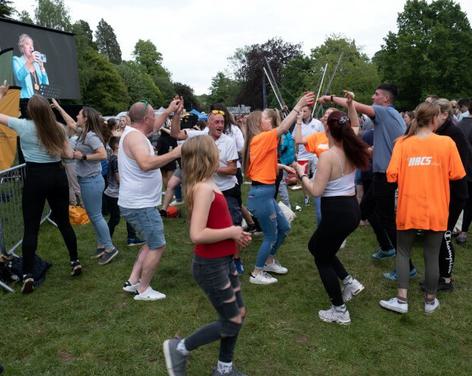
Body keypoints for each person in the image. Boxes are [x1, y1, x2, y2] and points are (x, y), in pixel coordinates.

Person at [163, 135, 251, 376]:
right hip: (210, 266)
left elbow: (214, 224)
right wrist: (232, 230)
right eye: (215, 151)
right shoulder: (202, 188)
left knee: (238, 314)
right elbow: (197, 234)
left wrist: (234, 237)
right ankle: (179, 348)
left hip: (223, 261)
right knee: (231, 321)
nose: (219, 155)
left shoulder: (208, 183)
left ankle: (224, 369)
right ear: (207, 157)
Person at [319, 84, 414, 279]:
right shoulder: (394, 115)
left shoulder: (384, 112)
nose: (373, 96)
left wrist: (329, 98)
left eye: (376, 94)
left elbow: (354, 105)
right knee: (366, 210)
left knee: (387, 220)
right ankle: (386, 247)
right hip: (386, 173)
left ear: (385, 99)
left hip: (385, 175)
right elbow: (387, 143)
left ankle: (407, 267)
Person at [379, 102, 465, 315]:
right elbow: (457, 174)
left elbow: (391, 175)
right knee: (432, 254)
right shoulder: (446, 143)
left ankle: (402, 300)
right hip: (436, 207)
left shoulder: (402, 144)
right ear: (435, 118)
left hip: (409, 206)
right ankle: (430, 301)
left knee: (403, 251)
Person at [294, 93, 369, 325]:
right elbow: (355, 123)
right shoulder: (351, 144)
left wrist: (301, 174)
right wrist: (349, 106)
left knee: (320, 255)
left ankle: (339, 309)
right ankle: (349, 281)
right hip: (350, 210)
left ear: (328, 130)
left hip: (337, 212)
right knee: (321, 248)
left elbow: (316, 191)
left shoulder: (328, 156)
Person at [0, 95, 80, 293]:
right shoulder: (59, 128)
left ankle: (27, 274)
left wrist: (1, 95)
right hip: (57, 176)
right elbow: (69, 154)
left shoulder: (22, 126)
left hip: (36, 178)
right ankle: (75, 261)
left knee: (31, 228)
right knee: (64, 222)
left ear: (30, 111)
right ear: (48, 110)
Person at [243, 92, 315, 285]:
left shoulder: (260, 140)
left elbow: (261, 165)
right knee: (270, 234)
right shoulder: (261, 138)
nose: (269, 121)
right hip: (262, 195)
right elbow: (283, 127)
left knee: (284, 228)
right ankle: (257, 273)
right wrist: (299, 105)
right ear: (259, 124)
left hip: (265, 194)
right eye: (266, 118)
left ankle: (269, 260)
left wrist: (282, 166)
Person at [119, 99, 181, 301]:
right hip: (140, 204)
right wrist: (175, 153)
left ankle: (133, 280)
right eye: (154, 114)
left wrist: (169, 111)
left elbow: (153, 127)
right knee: (158, 244)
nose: (156, 118)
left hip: (138, 202)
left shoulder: (135, 132)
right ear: (145, 118)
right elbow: (146, 164)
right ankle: (143, 290)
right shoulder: (135, 138)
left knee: (150, 241)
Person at [53, 101, 119, 265]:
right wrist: (59, 108)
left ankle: (110, 248)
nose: (76, 116)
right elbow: (70, 122)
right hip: (89, 180)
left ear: (86, 119)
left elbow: (103, 154)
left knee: (96, 216)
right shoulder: (83, 132)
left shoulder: (90, 136)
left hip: (91, 181)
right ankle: (102, 245)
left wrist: (82, 156)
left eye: (79, 114)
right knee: (94, 215)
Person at [428, 99, 471, 291]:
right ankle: (440, 275)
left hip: (454, 193)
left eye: (434, 115)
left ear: (444, 115)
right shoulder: (440, 131)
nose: (430, 119)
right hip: (442, 192)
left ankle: (446, 280)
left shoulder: (453, 134)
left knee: (444, 234)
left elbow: (459, 166)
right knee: (437, 234)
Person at [103, 136, 143, 246]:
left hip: (113, 193)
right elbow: (118, 178)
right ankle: (107, 241)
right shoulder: (115, 159)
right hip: (116, 193)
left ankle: (131, 238)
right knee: (115, 218)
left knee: (125, 216)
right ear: (116, 145)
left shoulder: (114, 157)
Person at [12, 34, 49, 99]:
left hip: (39, 102)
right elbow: (19, 77)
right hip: (25, 101)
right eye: (27, 44)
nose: (31, 47)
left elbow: (45, 86)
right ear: (22, 48)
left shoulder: (36, 65)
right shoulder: (16, 60)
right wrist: (30, 60)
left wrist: (42, 68)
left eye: (32, 45)